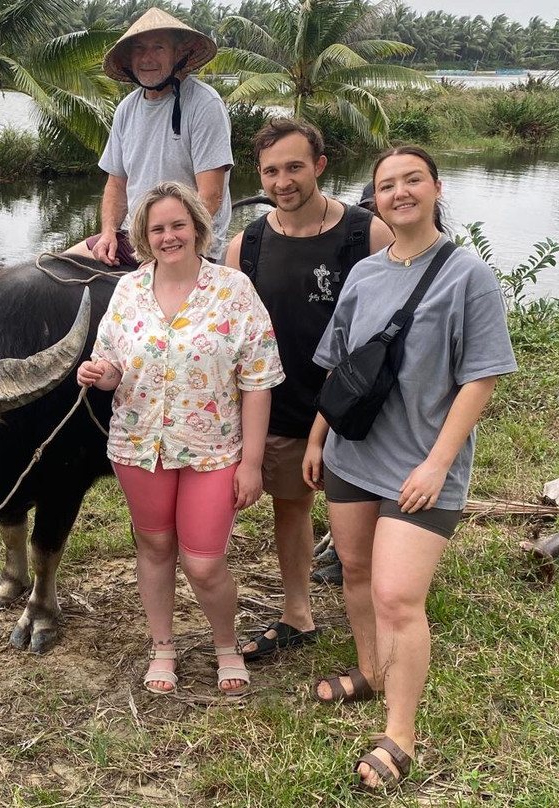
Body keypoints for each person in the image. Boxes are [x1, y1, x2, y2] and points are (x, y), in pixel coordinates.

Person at [303, 147, 517, 788]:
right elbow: (344, 369)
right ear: (376, 198)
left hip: (420, 468)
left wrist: (437, 464)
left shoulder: (468, 275)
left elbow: (480, 379)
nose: (400, 193)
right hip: (352, 454)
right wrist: (317, 439)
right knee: (358, 572)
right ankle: (369, 672)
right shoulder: (366, 273)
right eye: (387, 185)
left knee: (399, 596)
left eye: (412, 181)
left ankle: (401, 733)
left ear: (435, 188)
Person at [77, 182, 283, 696]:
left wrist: (252, 463)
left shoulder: (233, 290)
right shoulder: (127, 291)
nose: (169, 236)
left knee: (204, 561)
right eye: (157, 228)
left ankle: (226, 644)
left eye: (177, 225)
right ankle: (163, 646)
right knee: (154, 544)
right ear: (144, 237)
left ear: (196, 227)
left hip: (213, 451)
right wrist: (100, 375)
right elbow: (113, 366)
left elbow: (257, 380)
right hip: (138, 445)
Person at [221, 119, 393, 661]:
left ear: (319, 166)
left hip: (360, 408)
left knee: (371, 509)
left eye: (294, 167)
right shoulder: (244, 246)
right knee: (290, 508)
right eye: (271, 171)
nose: (283, 181)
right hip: (281, 407)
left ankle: (387, 606)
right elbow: (228, 334)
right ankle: (299, 612)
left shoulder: (366, 234)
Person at [65, 7, 233, 266]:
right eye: (140, 49)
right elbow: (116, 185)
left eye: (158, 47)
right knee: (60, 265)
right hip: (136, 238)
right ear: (129, 59)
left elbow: (210, 196)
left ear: (179, 53)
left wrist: (165, 247)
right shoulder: (126, 109)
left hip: (191, 242)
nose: (147, 58)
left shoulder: (204, 103)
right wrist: (109, 233)